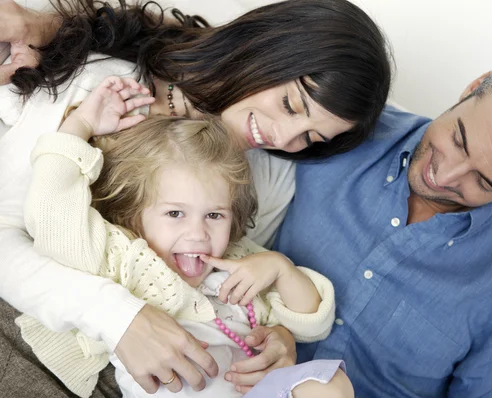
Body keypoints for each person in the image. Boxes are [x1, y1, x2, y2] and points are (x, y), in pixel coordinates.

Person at [0, 0, 390, 396]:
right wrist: (119, 318)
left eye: (309, 138)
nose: (282, 139)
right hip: (41, 331)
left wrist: (278, 339)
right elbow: (4, 236)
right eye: (290, 105)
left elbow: (235, 280)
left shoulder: (271, 175)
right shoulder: (108, 89)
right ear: (262, 51)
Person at [274, 50, 492, 397]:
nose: (442, 177)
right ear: (474, 87)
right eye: (459, 140)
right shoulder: (341, 127)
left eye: (484, 182)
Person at [21, 74, 352, 398]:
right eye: (175, 213)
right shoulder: (122, 256)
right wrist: (81, 125)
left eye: (214, 215)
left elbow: (312, 324)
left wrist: (281, 269)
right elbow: (52, 213)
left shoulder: (238, 263)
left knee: (330, 384)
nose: (198, 233)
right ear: (134, 213)